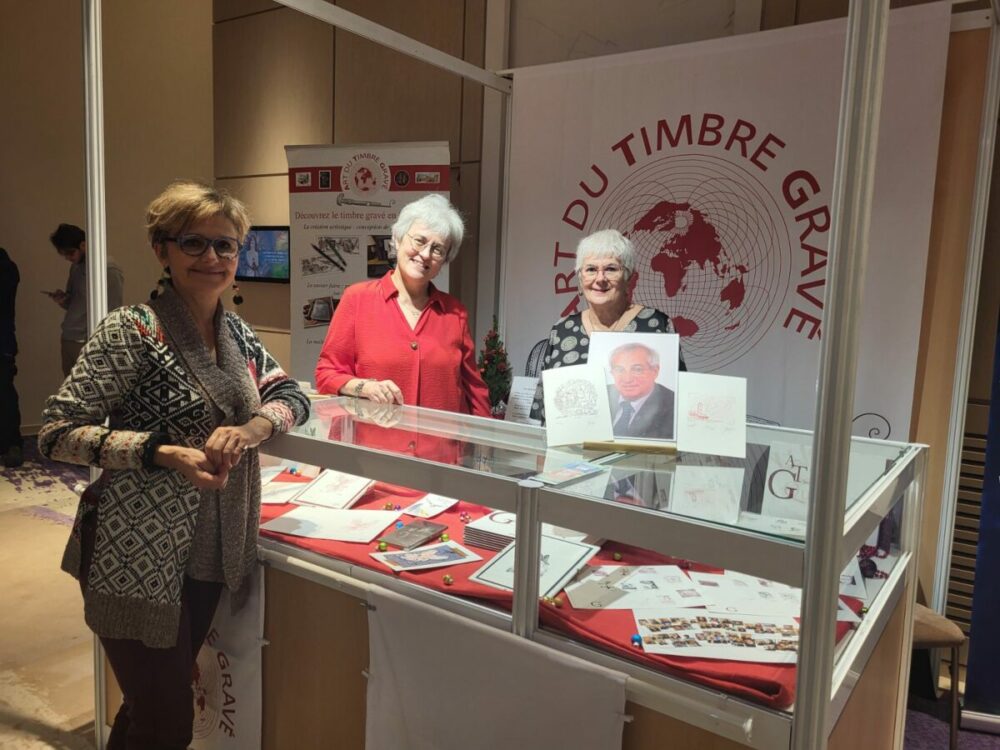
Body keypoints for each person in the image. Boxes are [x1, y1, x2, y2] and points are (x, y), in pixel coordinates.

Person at [38, 181, 310, 750]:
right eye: (193, 242)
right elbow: (57, 432)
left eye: (225, 245)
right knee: (167, 724)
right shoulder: (133, 329)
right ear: (161, 250)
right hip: (134, 552)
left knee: (149, 710)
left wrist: (255, 427)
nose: (212, 257)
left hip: (210, 548)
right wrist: (159, 451)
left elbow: (290, 393)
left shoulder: (235, 333)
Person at [315, 194, 491, 417]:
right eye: (419, 241)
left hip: (440, 440)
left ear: (444, 261)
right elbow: (326, 374)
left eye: (437, 249)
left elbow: (475, 391)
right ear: (397, 239)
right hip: (374, 438)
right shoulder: (357, 299)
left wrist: (488, 436)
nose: (425, 254)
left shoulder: (455, 314)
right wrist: (364, 388)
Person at [529, 228, 685, 422]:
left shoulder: (658, 326)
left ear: (628, 278)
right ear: (580, 278)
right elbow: (543, 406)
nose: (600, 279)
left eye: (611, 269)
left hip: (641, 440)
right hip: (572, 441)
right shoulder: (562, 330)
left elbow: (679, 405)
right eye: (591, 269)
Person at [47, 223, 126, 376]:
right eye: (64, 255)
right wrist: (62, 299)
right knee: (70, 388)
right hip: (69, 338)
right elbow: (74, 302)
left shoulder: (108, 269)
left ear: (83, 245)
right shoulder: (76, 267)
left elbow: (113, 311)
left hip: (88, 341)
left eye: (70, 253)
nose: (68, 258)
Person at [607, 342, 675, 439]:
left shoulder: (673, 406)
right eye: (620, 370)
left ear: (655, 371)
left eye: (637, 370)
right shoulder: (600, 393)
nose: (627, 379)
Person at [0, 246, 23, 468]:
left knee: (4, 392)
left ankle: (12, 444)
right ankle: (10, 444)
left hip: (3, 340)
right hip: (5, 339)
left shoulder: (6, 268)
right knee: (5, 391)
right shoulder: (8, 266)